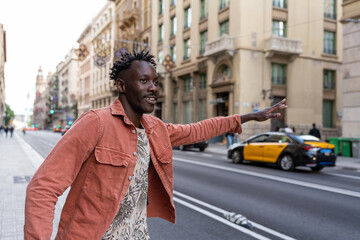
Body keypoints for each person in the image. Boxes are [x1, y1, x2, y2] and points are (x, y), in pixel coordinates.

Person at [24, 50, 288, 239]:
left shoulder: (155, 129)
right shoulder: (96, 123)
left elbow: (198, 129)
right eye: (143, 81)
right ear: (121, 86)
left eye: (155, 82)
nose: (153, 88)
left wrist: (246, 117)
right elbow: (43, 188)